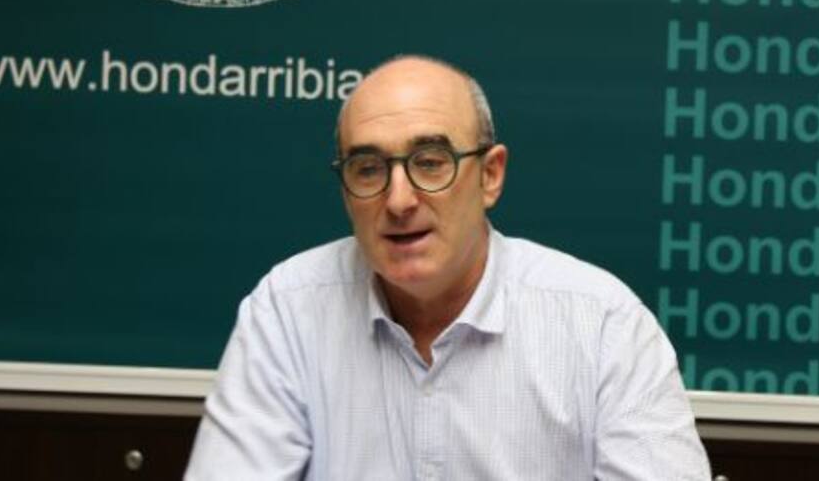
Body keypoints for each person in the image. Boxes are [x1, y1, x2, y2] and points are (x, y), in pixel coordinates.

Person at [185, 55, 711, 479]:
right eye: (368, 169)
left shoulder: (602, 324)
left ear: (490, 176)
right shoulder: (288, 309)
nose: (398, 200)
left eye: (430, 163)